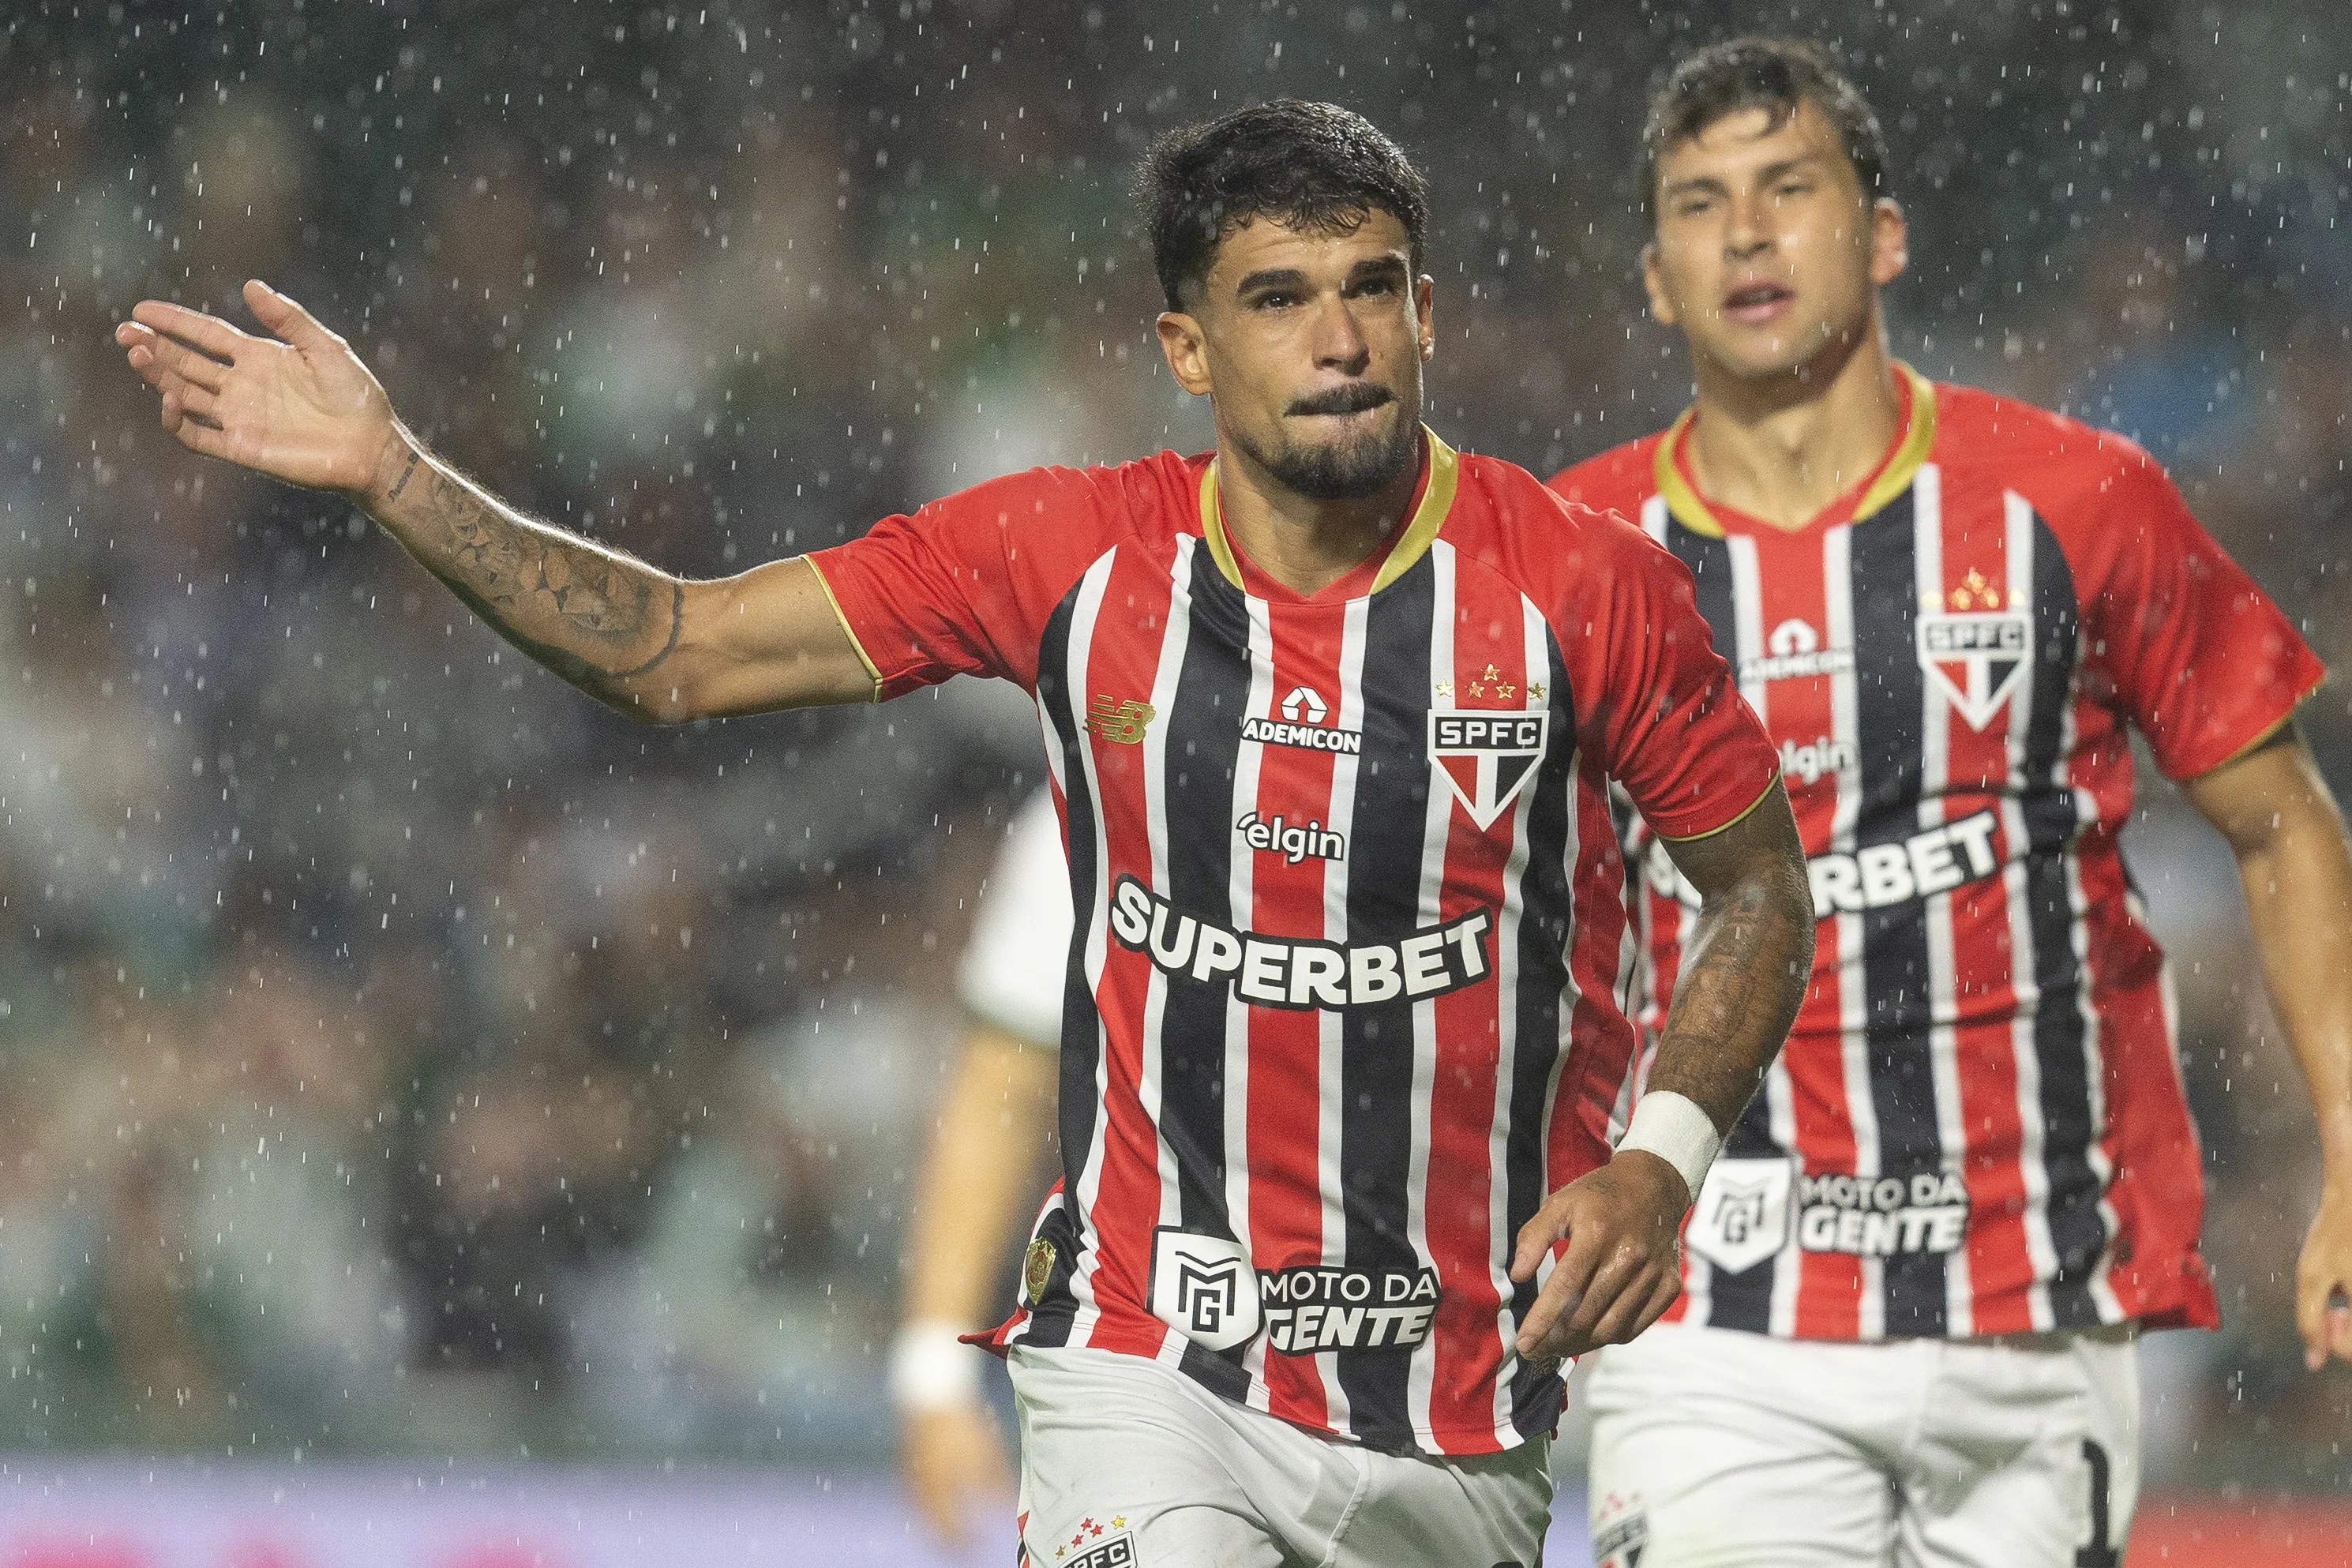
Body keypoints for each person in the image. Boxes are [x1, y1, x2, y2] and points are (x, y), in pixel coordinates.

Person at [114, 99, 1818, 1568]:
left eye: (1372, 290)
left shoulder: (1582, 589)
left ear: (1427, 313)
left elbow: (1755, 884)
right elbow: (677, 649)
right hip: (1150, 1364)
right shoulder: (1069, 559)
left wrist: (1659, 1161)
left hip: (1459, 1394)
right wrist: (399, 470)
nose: (1339, 339)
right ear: (1184, 346)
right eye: (1280, 298)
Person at [1545, 39, 2352, 1568]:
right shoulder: (1575, 550)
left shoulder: (2075, 504)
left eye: (1790, 189)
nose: (1749, 234)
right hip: (1715, 1313)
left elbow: (2281, 820)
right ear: (1655, 278)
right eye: (1701, 205)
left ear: (1885, 233)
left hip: (2036, 1312)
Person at [893, 787, 1063, 1545]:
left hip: (1449, 1352)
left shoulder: (1458, 771)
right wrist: (935, 1376)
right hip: (1169, 1351)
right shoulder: (1099, 789)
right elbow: (1000, 1090)